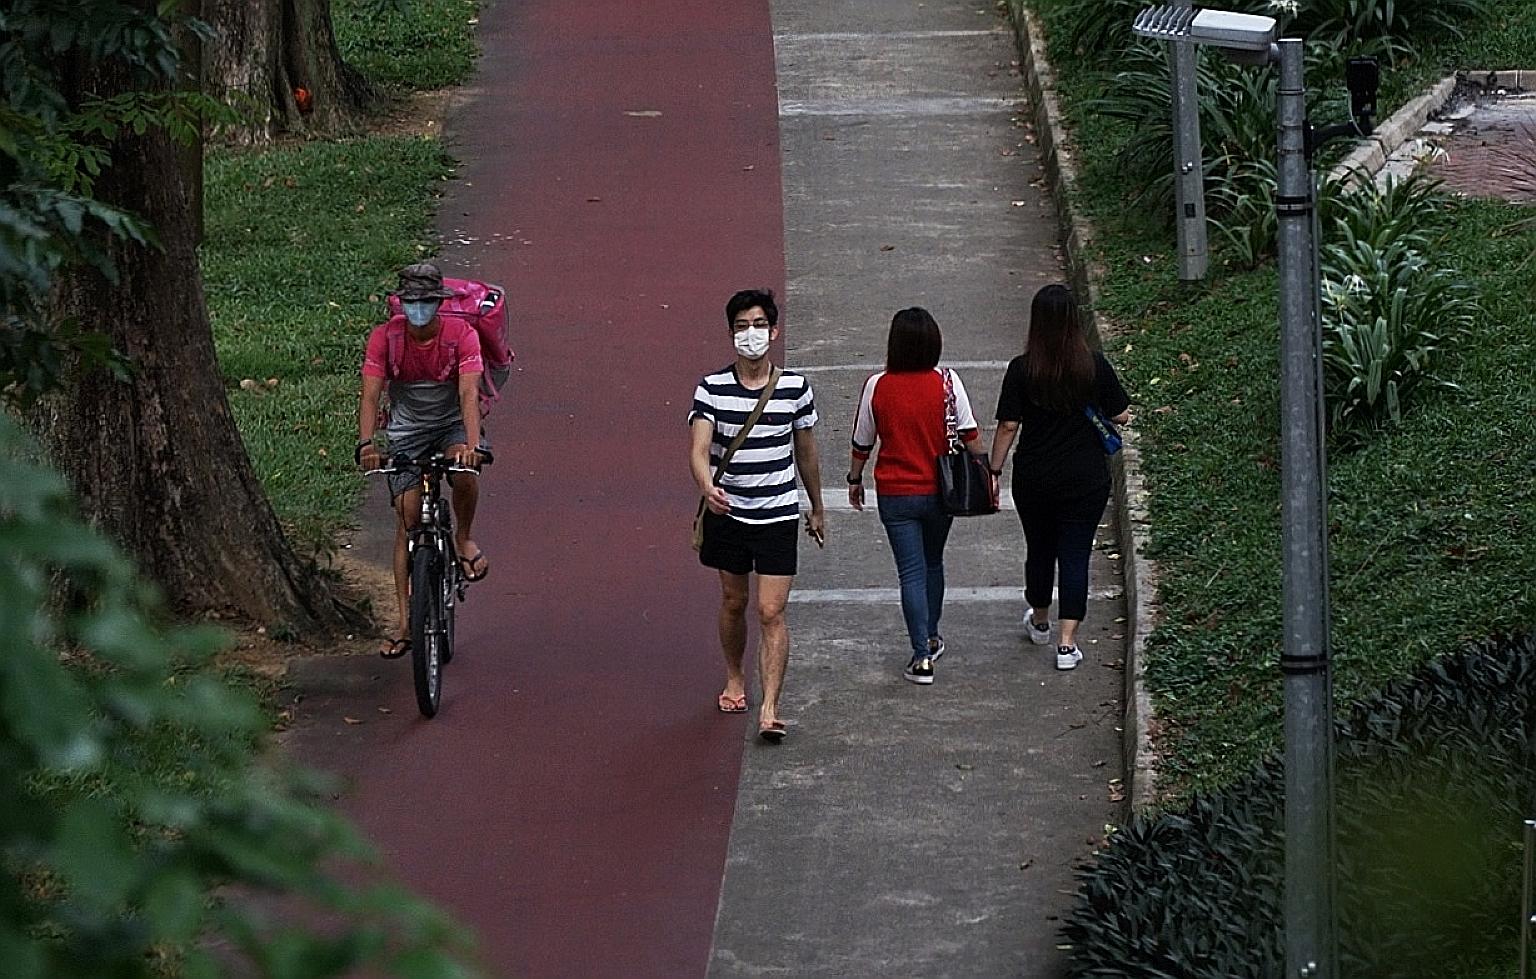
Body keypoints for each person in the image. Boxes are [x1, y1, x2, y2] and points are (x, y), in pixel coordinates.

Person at [689, 289, 825, 743]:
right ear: (731, 334)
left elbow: (806, 450)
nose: (752, 334)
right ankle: (734, 676)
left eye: (759, 325)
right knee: (734, 601)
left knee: (771, 611)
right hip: (728, 512)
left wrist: (816, 505)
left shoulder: (795, 388)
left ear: (775, 330)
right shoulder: (711, 388)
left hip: (778, 513)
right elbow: (699, 448)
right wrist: (707, 486)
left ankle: (770, 708)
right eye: (743, 326)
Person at [989, 284, 1130, 671]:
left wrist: (994, 470)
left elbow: (1007, 426)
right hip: (1085, 477)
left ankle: (1039, 620)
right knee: (1074, 554)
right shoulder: (1094, 365)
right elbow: (1120, 414)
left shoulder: (1022, 368)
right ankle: (1067, 644)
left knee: (1039, 548)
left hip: (1034, 476)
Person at [846, 307, 989, 685]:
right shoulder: (947, 381)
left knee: (909, 571)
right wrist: (989, 475)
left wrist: (854, 478)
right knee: (932, 563)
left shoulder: (877, 385)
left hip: (895, 493)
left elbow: (863, 440)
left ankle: (921, 657)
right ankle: (932, 634)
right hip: (942, 491)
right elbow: (971, 434)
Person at [357, 263, 489, 660]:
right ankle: (404, 623)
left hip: (450, 426)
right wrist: (366, 444)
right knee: (408, 516)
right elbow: (370, 395)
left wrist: (470, 443)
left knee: (465, 474)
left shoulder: (461, 336)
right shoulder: (385, 339)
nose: (418, 309)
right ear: (402, 304)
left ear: (438, 304)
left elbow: (468, 395)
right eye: (411, 302)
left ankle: (462, 538)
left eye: (425, 302)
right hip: (406, 434)